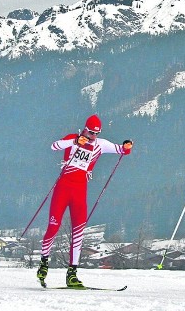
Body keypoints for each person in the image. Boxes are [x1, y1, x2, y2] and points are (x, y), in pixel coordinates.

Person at [37, 115, 133, 288]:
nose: (93, 136)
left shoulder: (100, 144)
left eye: (97, 133)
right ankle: (44, 262)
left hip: (80, 192)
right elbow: (54, 146)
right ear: (85, 129)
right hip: (63, 189)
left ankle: (72, 273)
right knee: (53, 226)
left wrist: (127, 146)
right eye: (91, 132)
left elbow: (120, 149)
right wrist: (74, 142)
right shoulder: (72, 138)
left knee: (78, 232)